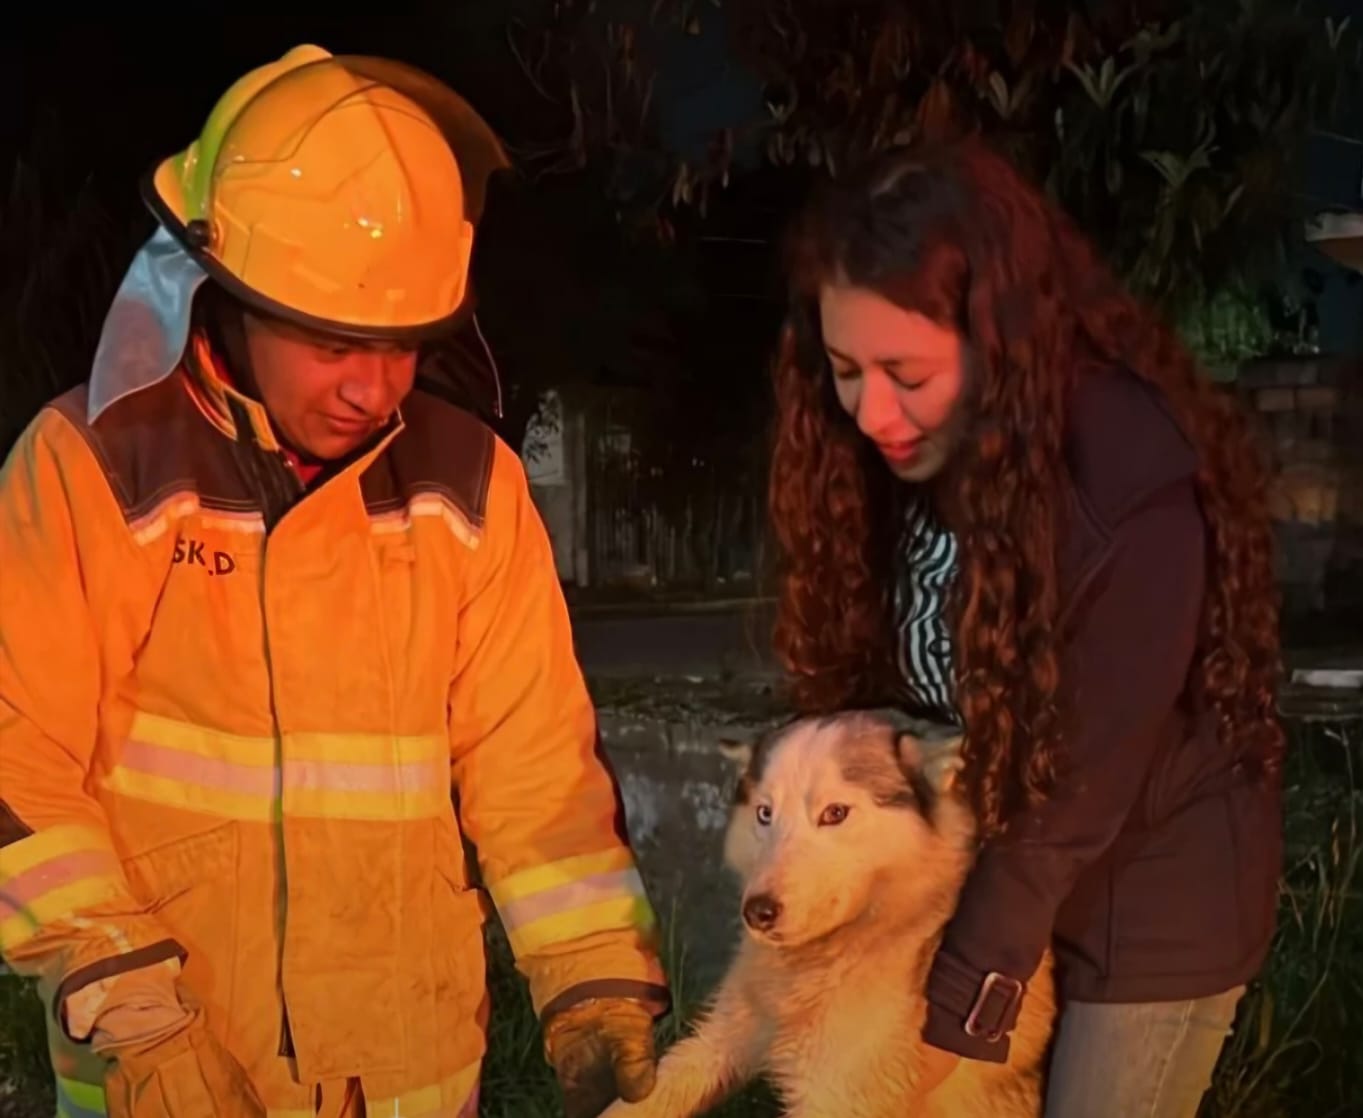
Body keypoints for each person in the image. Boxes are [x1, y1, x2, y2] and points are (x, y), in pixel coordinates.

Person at [0, 44, 668, 1118]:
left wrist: (596, 981)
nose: (374, 385)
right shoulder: (90, 463)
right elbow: (16, 752)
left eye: (403, 343)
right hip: (171, 1078)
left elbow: (534, 768)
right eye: (332, 341)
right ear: (229, 291)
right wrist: (134, 1020)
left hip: (411, 1078)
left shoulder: (470, 485)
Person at [765, 136, 1286, 1117]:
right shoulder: (891, 472)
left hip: (1148, 904)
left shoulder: (1126, 481)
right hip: (996, 885)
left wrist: (944, 1022)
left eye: (905, 372)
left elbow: (1072, 803)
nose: (871, 413)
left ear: (995, 341)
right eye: (843, 369)